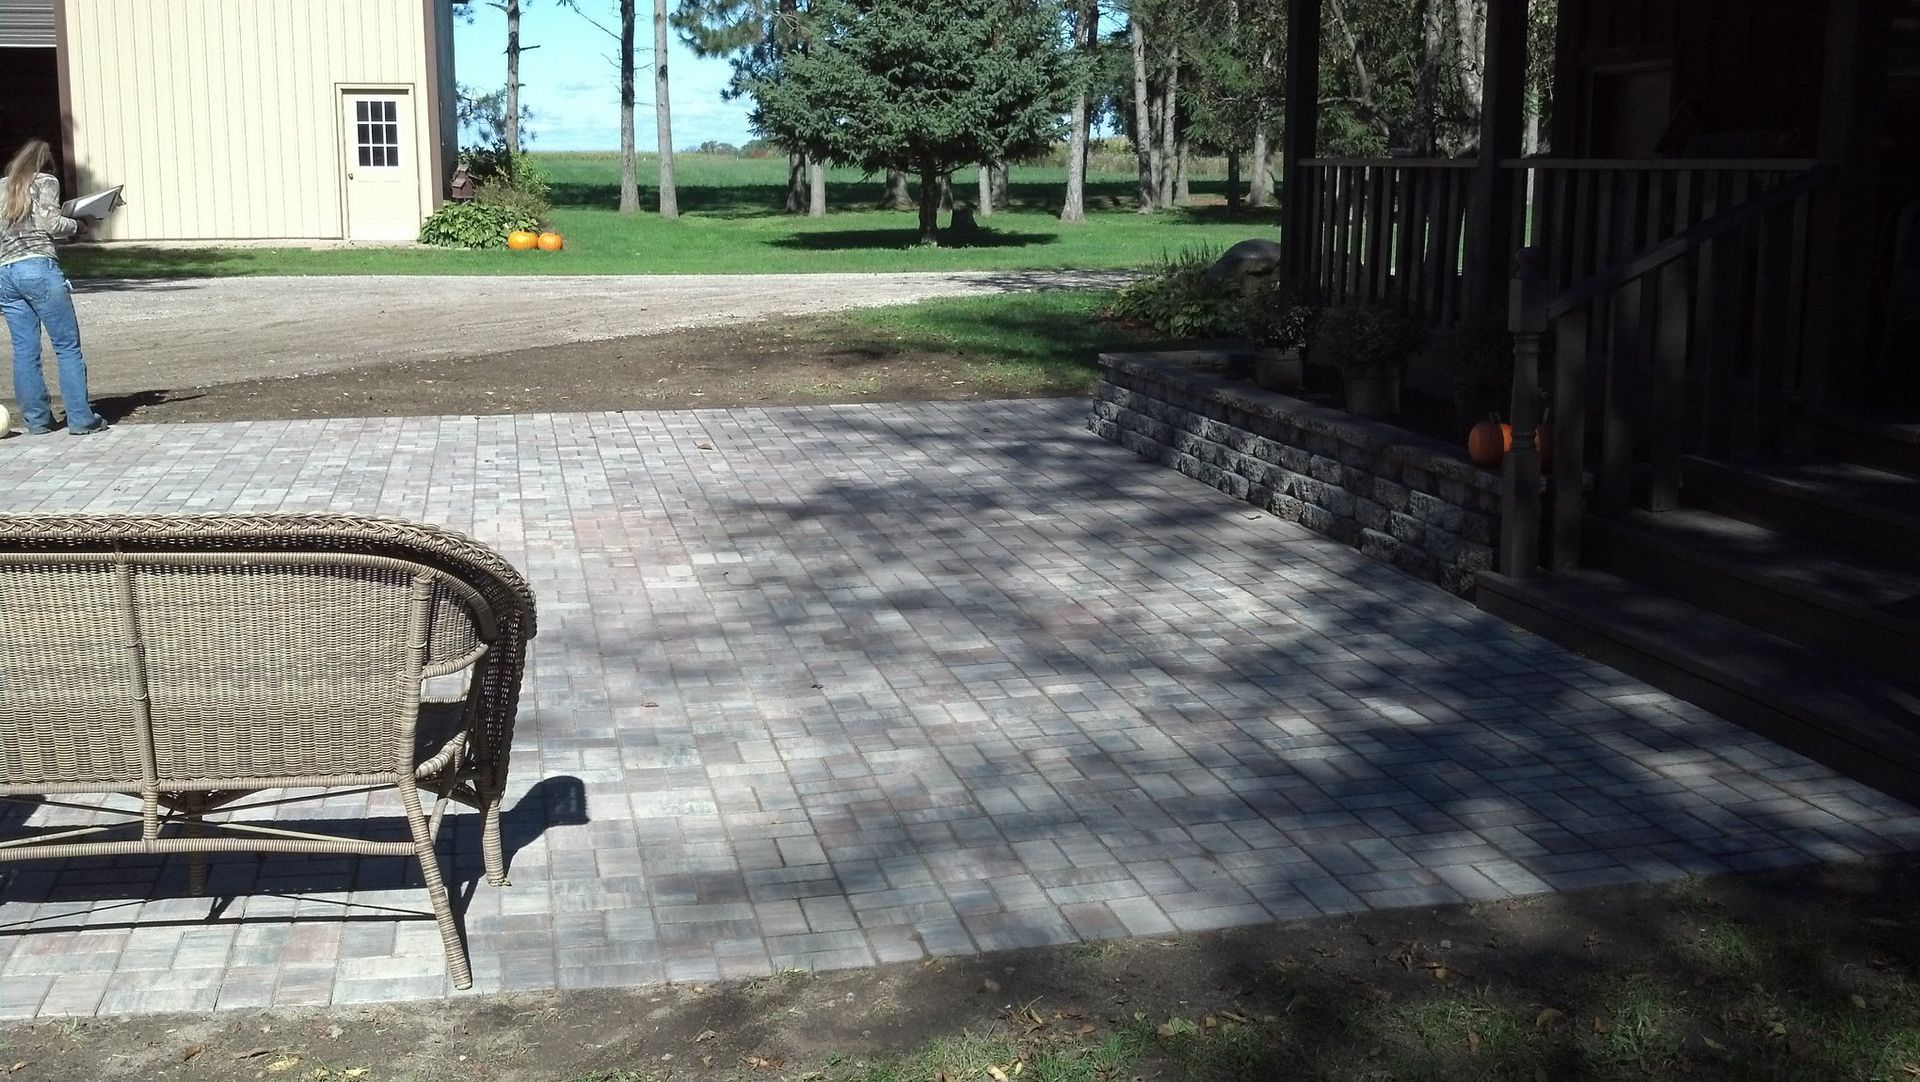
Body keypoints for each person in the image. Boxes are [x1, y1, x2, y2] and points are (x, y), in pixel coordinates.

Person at [1, 139, 105, 435]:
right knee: (66, 345)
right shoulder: (46, 181)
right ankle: (81, 419)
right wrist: (79, 225)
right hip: (38, 267)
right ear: (45, 163)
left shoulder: (3, 186)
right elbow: (50, 223)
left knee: (25, 350)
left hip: (5, 272)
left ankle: (37, 421)